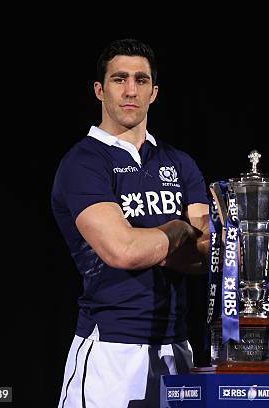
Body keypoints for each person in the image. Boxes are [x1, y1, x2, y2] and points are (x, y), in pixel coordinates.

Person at [51, 39, 210, 408]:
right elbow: (121, 251)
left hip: (176, 349)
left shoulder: (180, 163)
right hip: (110, 351)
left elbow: (209, 256)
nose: (130, 90)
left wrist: (149, 244)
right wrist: (180, 229)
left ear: (154, 92)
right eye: (119, 79)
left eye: (141, 80)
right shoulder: (84, 162)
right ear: (99, 89)